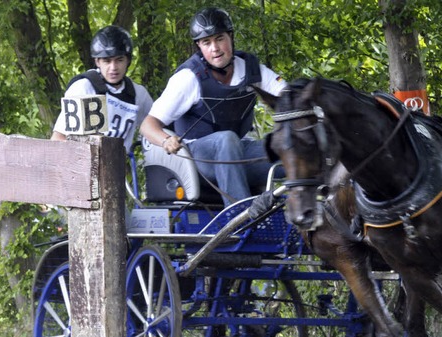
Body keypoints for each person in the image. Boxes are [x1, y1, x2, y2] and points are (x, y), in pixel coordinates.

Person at [140, 7, 287, 206]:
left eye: (219, 39)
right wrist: (166, 140)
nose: (215, 48)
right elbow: (147, 125)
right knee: (226, 139)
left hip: (238, 154)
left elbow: (289, 97)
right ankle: (240, 220)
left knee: (293, 147)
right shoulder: (188, 79)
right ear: (199, 47)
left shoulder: (252, 71)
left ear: (231, 38)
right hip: (196, 161)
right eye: (206, 42)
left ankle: (322, 218)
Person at [52, 25, 153, 153]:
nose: (113, 67)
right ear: (97, 62)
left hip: (117, 168)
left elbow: (155, 126)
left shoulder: (138, 94)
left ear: (128, 61)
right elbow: (58, 138)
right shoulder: (84, 88)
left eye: (119, 60)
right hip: (81, 165)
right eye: (107, 61)